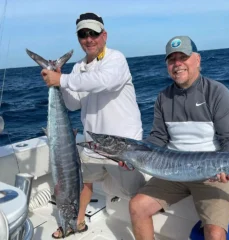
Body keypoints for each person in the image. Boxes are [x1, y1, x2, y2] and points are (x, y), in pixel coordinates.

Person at [40, 12, 145, 239]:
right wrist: (58, 86)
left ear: (104, 35)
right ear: (79, 38)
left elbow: (103, 81)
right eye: (83, 34)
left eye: (93, 33)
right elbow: (72, 103)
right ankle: (76, 222)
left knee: (134, 190)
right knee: (84, 183)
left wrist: (63, 80)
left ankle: (145, 225)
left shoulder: (116, 59)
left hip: (123, 145)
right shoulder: (78, 68)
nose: (89, 39)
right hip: (93, 144)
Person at [128, 36, 229, 240]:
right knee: (137, 206)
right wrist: (134, 155)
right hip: (172, 171)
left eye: (183, 57)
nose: (177, 64)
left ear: (197, 60)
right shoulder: (163, 97)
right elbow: (158, 137)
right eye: (172, 60)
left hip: (212, 174)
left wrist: (228, 168)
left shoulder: (217, 93)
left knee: (215, 233)